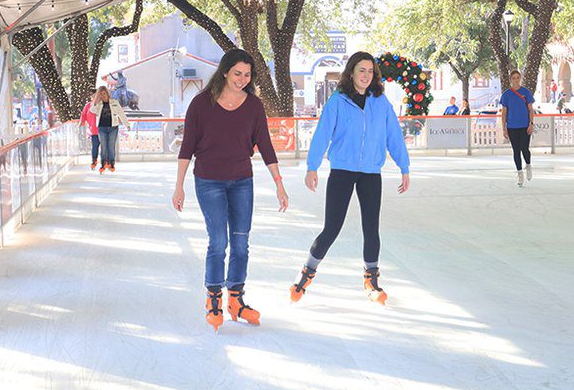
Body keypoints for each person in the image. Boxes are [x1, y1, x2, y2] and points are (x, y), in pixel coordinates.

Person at [173, 48, 288, 332]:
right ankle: (214, 297)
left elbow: (265, 145)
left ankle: (236, 298)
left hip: (241, 182)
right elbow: (187, 147)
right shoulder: (201, 104)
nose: (242, 79)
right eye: (237, 73)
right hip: (209, 181)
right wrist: (179, 186)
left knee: (240, 242)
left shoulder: (254, 106)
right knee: (219, 241)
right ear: (225, 71)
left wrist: (279, 184)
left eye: (247, 75)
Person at [290, 51, 411, 306]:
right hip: (342, 171)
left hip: (370, 173)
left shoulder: (380, 102)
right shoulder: (338, 101)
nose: (366, 76)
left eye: (370, 71)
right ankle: (306, 273)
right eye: (361, 70)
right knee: (331, 228)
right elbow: (323, 133)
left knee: (371, 228)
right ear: (352, 73)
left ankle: (372, 279)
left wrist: (404, 166)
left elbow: (393, 135)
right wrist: (312, 167)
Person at [500, 70, 535, 187]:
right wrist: (504, 128)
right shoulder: (506, 95)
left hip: (524, 125)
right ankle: (520, 173)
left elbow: (530, 109)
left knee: (525, 149)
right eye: (513, 78)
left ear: (520, 78)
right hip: (512, 126)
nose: (516, 79)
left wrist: (531, 123)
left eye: (517, 77)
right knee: (516, 151)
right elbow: (504, 113)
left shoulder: (526, 92)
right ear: (510, 80)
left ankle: (528, 165)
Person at [89, 86, 129, 173]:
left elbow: (121, 114)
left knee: (111, 146)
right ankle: (103, 164)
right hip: (101, 128)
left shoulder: (114, 102)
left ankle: (111, 163)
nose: (103, 96)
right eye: (100, 94)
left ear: (107, 93)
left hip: (113, 128)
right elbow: (92, 111)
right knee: (103, 147)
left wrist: (127, 124)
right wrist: (95, 101)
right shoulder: (98, 104)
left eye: (104, 93)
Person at [79, 87, 100, 170]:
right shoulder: (88, 106)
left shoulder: (103, 105)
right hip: (94, 131)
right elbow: (83, 115)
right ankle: (94, 161)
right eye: (94, 96)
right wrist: (82, 122)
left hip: (104, 130)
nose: (95, 97)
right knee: (95, 147)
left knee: (105, 147)